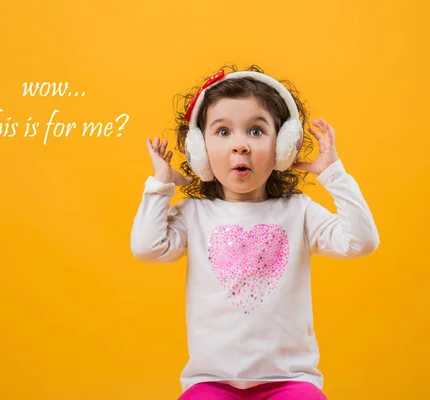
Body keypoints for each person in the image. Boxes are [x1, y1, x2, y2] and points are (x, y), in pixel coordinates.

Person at [131, 64, 380, 399]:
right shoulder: (195, 215)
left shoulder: (299, 211)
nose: (240, 146)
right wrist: (160, 186)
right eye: (223, 132)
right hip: (211, 382)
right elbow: (147, 247)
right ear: (200, 151)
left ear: (283, 147)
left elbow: (361, 241)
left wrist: (334, 175)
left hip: (290, 381)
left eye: (256, 131)